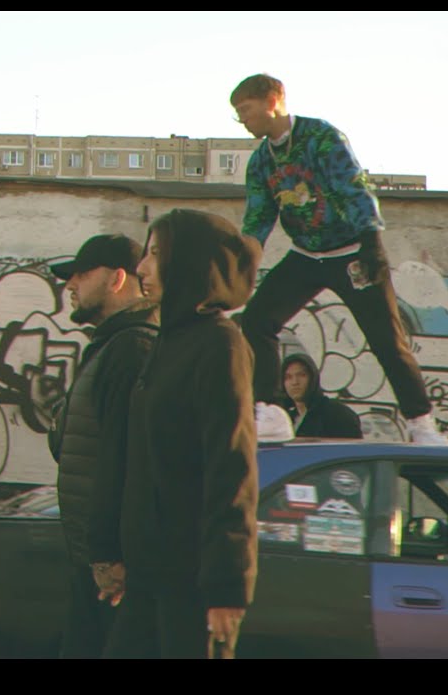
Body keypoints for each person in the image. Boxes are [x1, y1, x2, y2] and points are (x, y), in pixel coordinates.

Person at [230, 73, 446, 445]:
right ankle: (270, 411)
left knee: (386, 338)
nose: (243, 120)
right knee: (257, 319)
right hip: (305, 256)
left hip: (351, 252)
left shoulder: (320, 136)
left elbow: (353, 187)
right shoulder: (261, 162)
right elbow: (258, 219)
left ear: (272, 101)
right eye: (238, 114)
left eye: (246, 110)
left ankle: (421, 423)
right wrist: (244, 263)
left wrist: (371, 240)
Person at [107, 209, 260, 659]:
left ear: (190, 263)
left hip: (193, 584)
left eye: (156, 254)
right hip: (148, 577)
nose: (142, 267)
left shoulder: (220, 344)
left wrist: (227, 587)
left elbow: (231, 467)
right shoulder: (168, 341)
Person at [47, 234, 158, 659]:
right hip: (93, 561)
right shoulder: (111, 344)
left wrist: (109, 555)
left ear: (116, 279)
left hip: (112, 571)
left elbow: (127, 459)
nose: (70, 285)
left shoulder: (132, 348)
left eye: (81, 274)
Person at [281, 353, 363, 439]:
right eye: (288, 377)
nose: (295, 382)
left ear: (313, 378)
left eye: (302, 375)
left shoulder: (336, 414)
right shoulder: (286, 419)